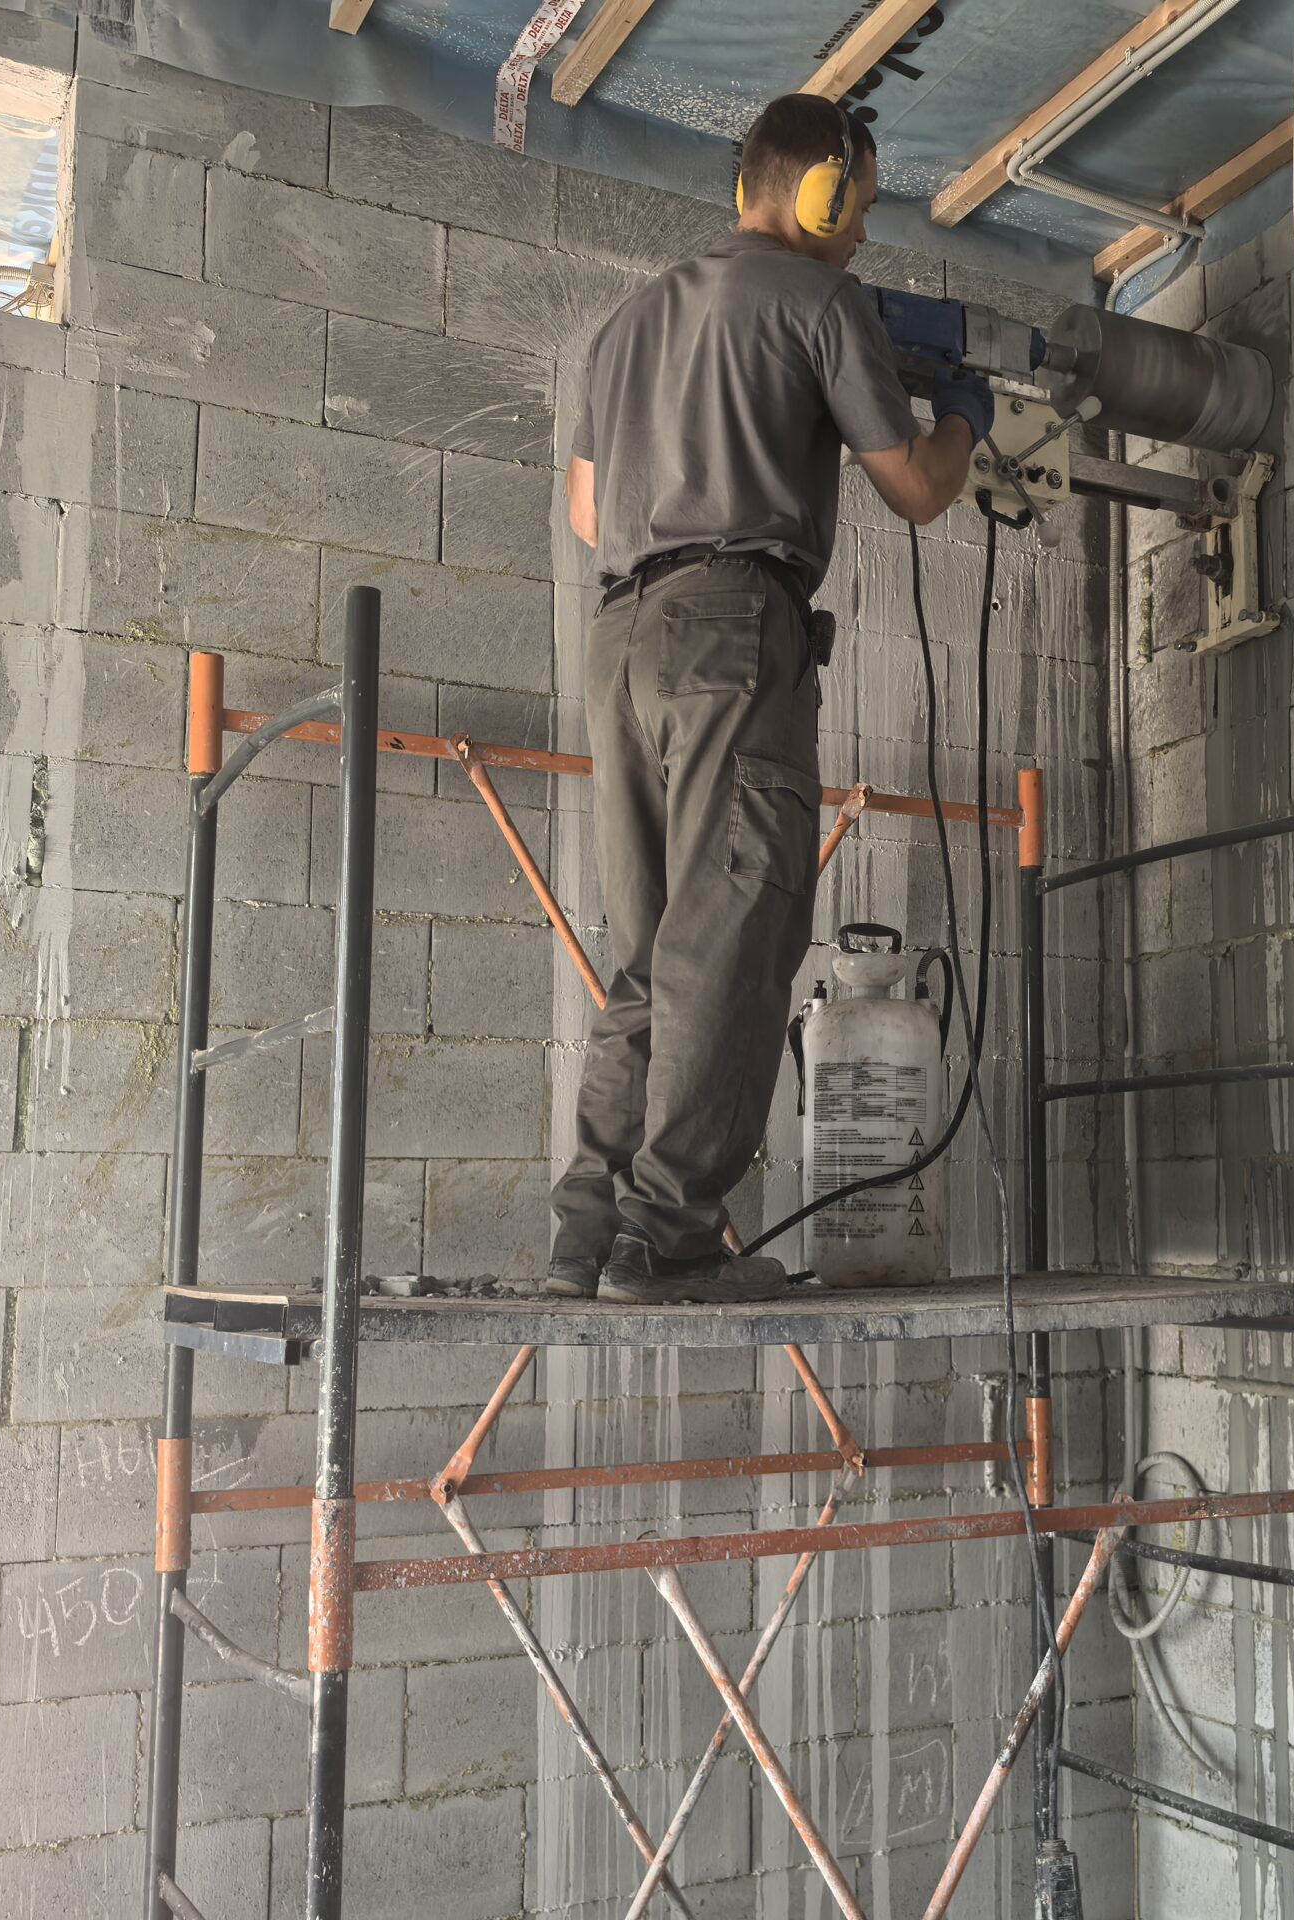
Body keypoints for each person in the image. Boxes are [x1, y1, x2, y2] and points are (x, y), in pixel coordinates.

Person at [548, 92, 994, 1307]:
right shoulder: (823, 303)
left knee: (648, 949)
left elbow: (588, 511)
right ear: (821, 192)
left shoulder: (626, 324)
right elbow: (914, 490)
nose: (865, 229)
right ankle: (670, 1238)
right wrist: (962, 415)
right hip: (734, 631)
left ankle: (588, 1233)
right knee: (734, 937)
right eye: (862, 201)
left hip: (620, 638)